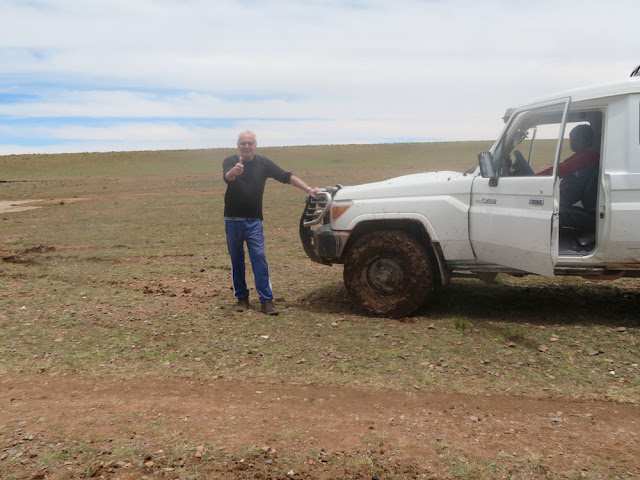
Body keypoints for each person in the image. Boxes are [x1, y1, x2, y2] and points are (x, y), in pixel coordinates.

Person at [223, 130, 322, 315]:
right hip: (232, 220)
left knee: (259, 259)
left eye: (250, 143)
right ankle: (242, 299)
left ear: (255, 145)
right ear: (238, 145)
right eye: (243, 143)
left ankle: (266, 301)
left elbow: (285, 176)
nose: (246, 146)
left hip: (254, 221)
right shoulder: (230, 161)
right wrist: (234, 172)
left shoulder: (263, 163)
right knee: (237, 260)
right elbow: (227, 177)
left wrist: (308, 188)